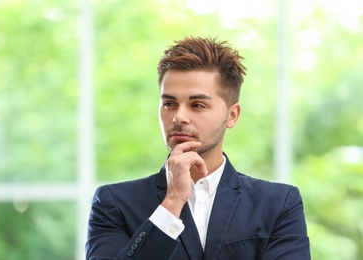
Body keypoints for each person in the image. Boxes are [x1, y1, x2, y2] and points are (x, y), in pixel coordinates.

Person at [85, 36, 310, 260]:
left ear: (232, 116)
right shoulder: (114, 203)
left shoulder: (278, 204)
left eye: (197, 105)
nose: (179, 117)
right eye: (169, 104)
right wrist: (171, 203)